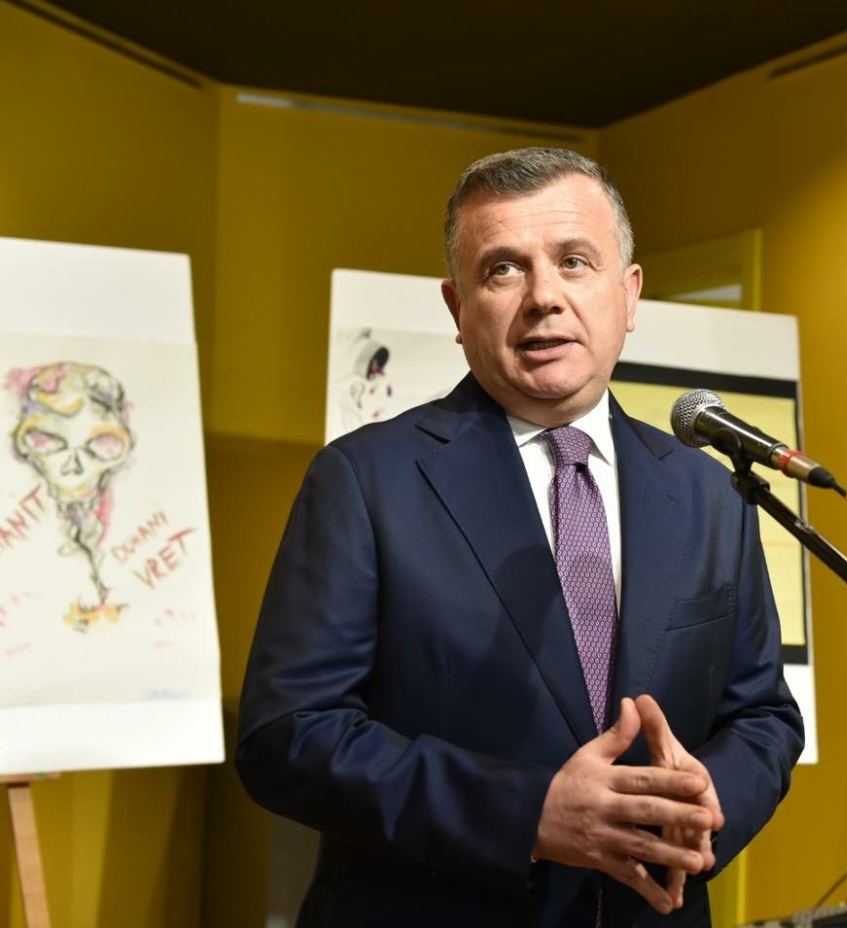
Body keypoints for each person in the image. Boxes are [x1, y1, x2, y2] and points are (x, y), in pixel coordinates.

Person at [235, 147, 804, 928]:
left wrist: (709, 803)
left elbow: (764, 715)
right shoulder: (365, 481)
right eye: (503, 270)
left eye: (575, 262)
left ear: (629, 293)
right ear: (457, 307)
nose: (543, 298)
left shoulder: (710, 492)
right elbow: (287, 735)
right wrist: (528, 813)